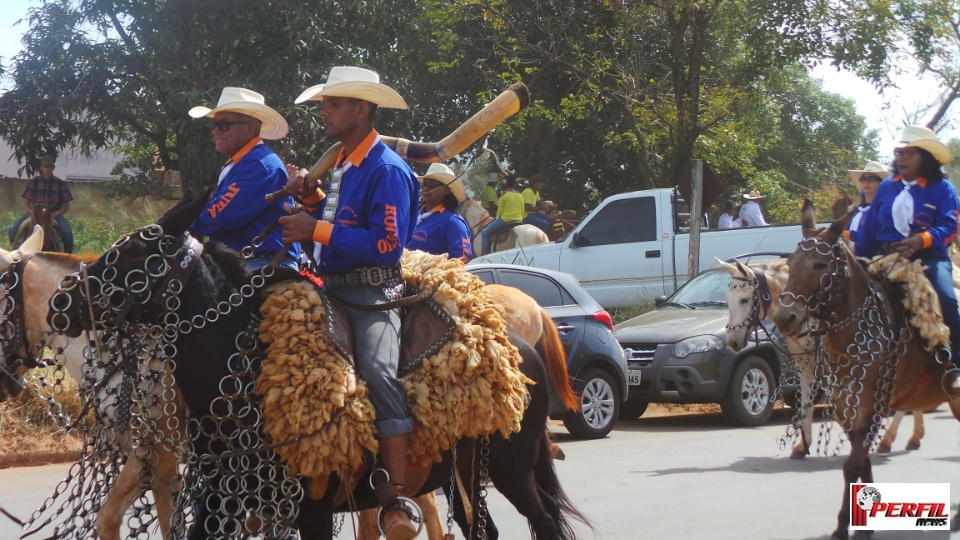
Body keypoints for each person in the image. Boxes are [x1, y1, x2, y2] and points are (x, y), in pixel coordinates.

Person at [278, 66, 419, 540]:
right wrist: (315, 202)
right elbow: (342, 221)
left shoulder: (387, 169)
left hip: (372, 292)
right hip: (328, 285)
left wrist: (312, 228)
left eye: (333, 104)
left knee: (380, 373)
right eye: (324, 103)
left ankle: (397, 499)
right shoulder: (342, 162)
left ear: (361, 109)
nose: (325, 112)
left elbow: (387, 245)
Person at [855, 125, 960, 394]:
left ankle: (954, 366)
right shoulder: (887, 187)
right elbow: (867, 231)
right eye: (899, 152)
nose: (901, 158)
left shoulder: (942, 188)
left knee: (946, 299)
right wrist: (859, 262)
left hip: (929, 258)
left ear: (925, 156)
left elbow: (950, 226)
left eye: (909, 153)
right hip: (885, 257)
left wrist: (921, 239)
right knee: (851, 296)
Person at [187, 87, 300, 272]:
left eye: (223, 125)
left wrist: (183, 221)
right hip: (247, 262)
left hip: (263, 265)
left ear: (249, 129)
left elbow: (222, 216)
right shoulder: (246, 162)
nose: (216, 131)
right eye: (214, 125)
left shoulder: (259, 165)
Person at [407, 162, 473, 262]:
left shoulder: (453, 222)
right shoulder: (415, 215)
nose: (425, 188)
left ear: (446, 190)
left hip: (432, 276)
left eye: (431, 185)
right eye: (424, 184)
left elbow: (461, 260)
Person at [8, 154, 74, 253]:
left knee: (68, 234)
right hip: (34, 213)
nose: (48, 169)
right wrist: (32, 213)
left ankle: (68, 259)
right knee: (12, 231)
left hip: (53, 214)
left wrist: (55, 214)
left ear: (53, 168)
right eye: (45, 166)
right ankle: (16, 257)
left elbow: (66, 206)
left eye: (50, 166)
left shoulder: (60, 183)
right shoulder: (34, 182)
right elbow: (25, 203)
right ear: (41, 168)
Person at [844, 160, 887, 242]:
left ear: (881, 183)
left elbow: (875, 234)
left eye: (871, 179)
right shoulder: (854, 210)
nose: (866, 182)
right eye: (863, 179)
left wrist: (847, 235)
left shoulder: (883, 209)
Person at [481, 175, 524, 255]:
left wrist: (496, 219)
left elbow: (499, 213)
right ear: (515, 185)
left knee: (485, 234)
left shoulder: (504, 196)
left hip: (506, 220)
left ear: (506, 185)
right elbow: (522, 210)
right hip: (519, 219)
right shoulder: (520, 195)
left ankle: (483, 257)